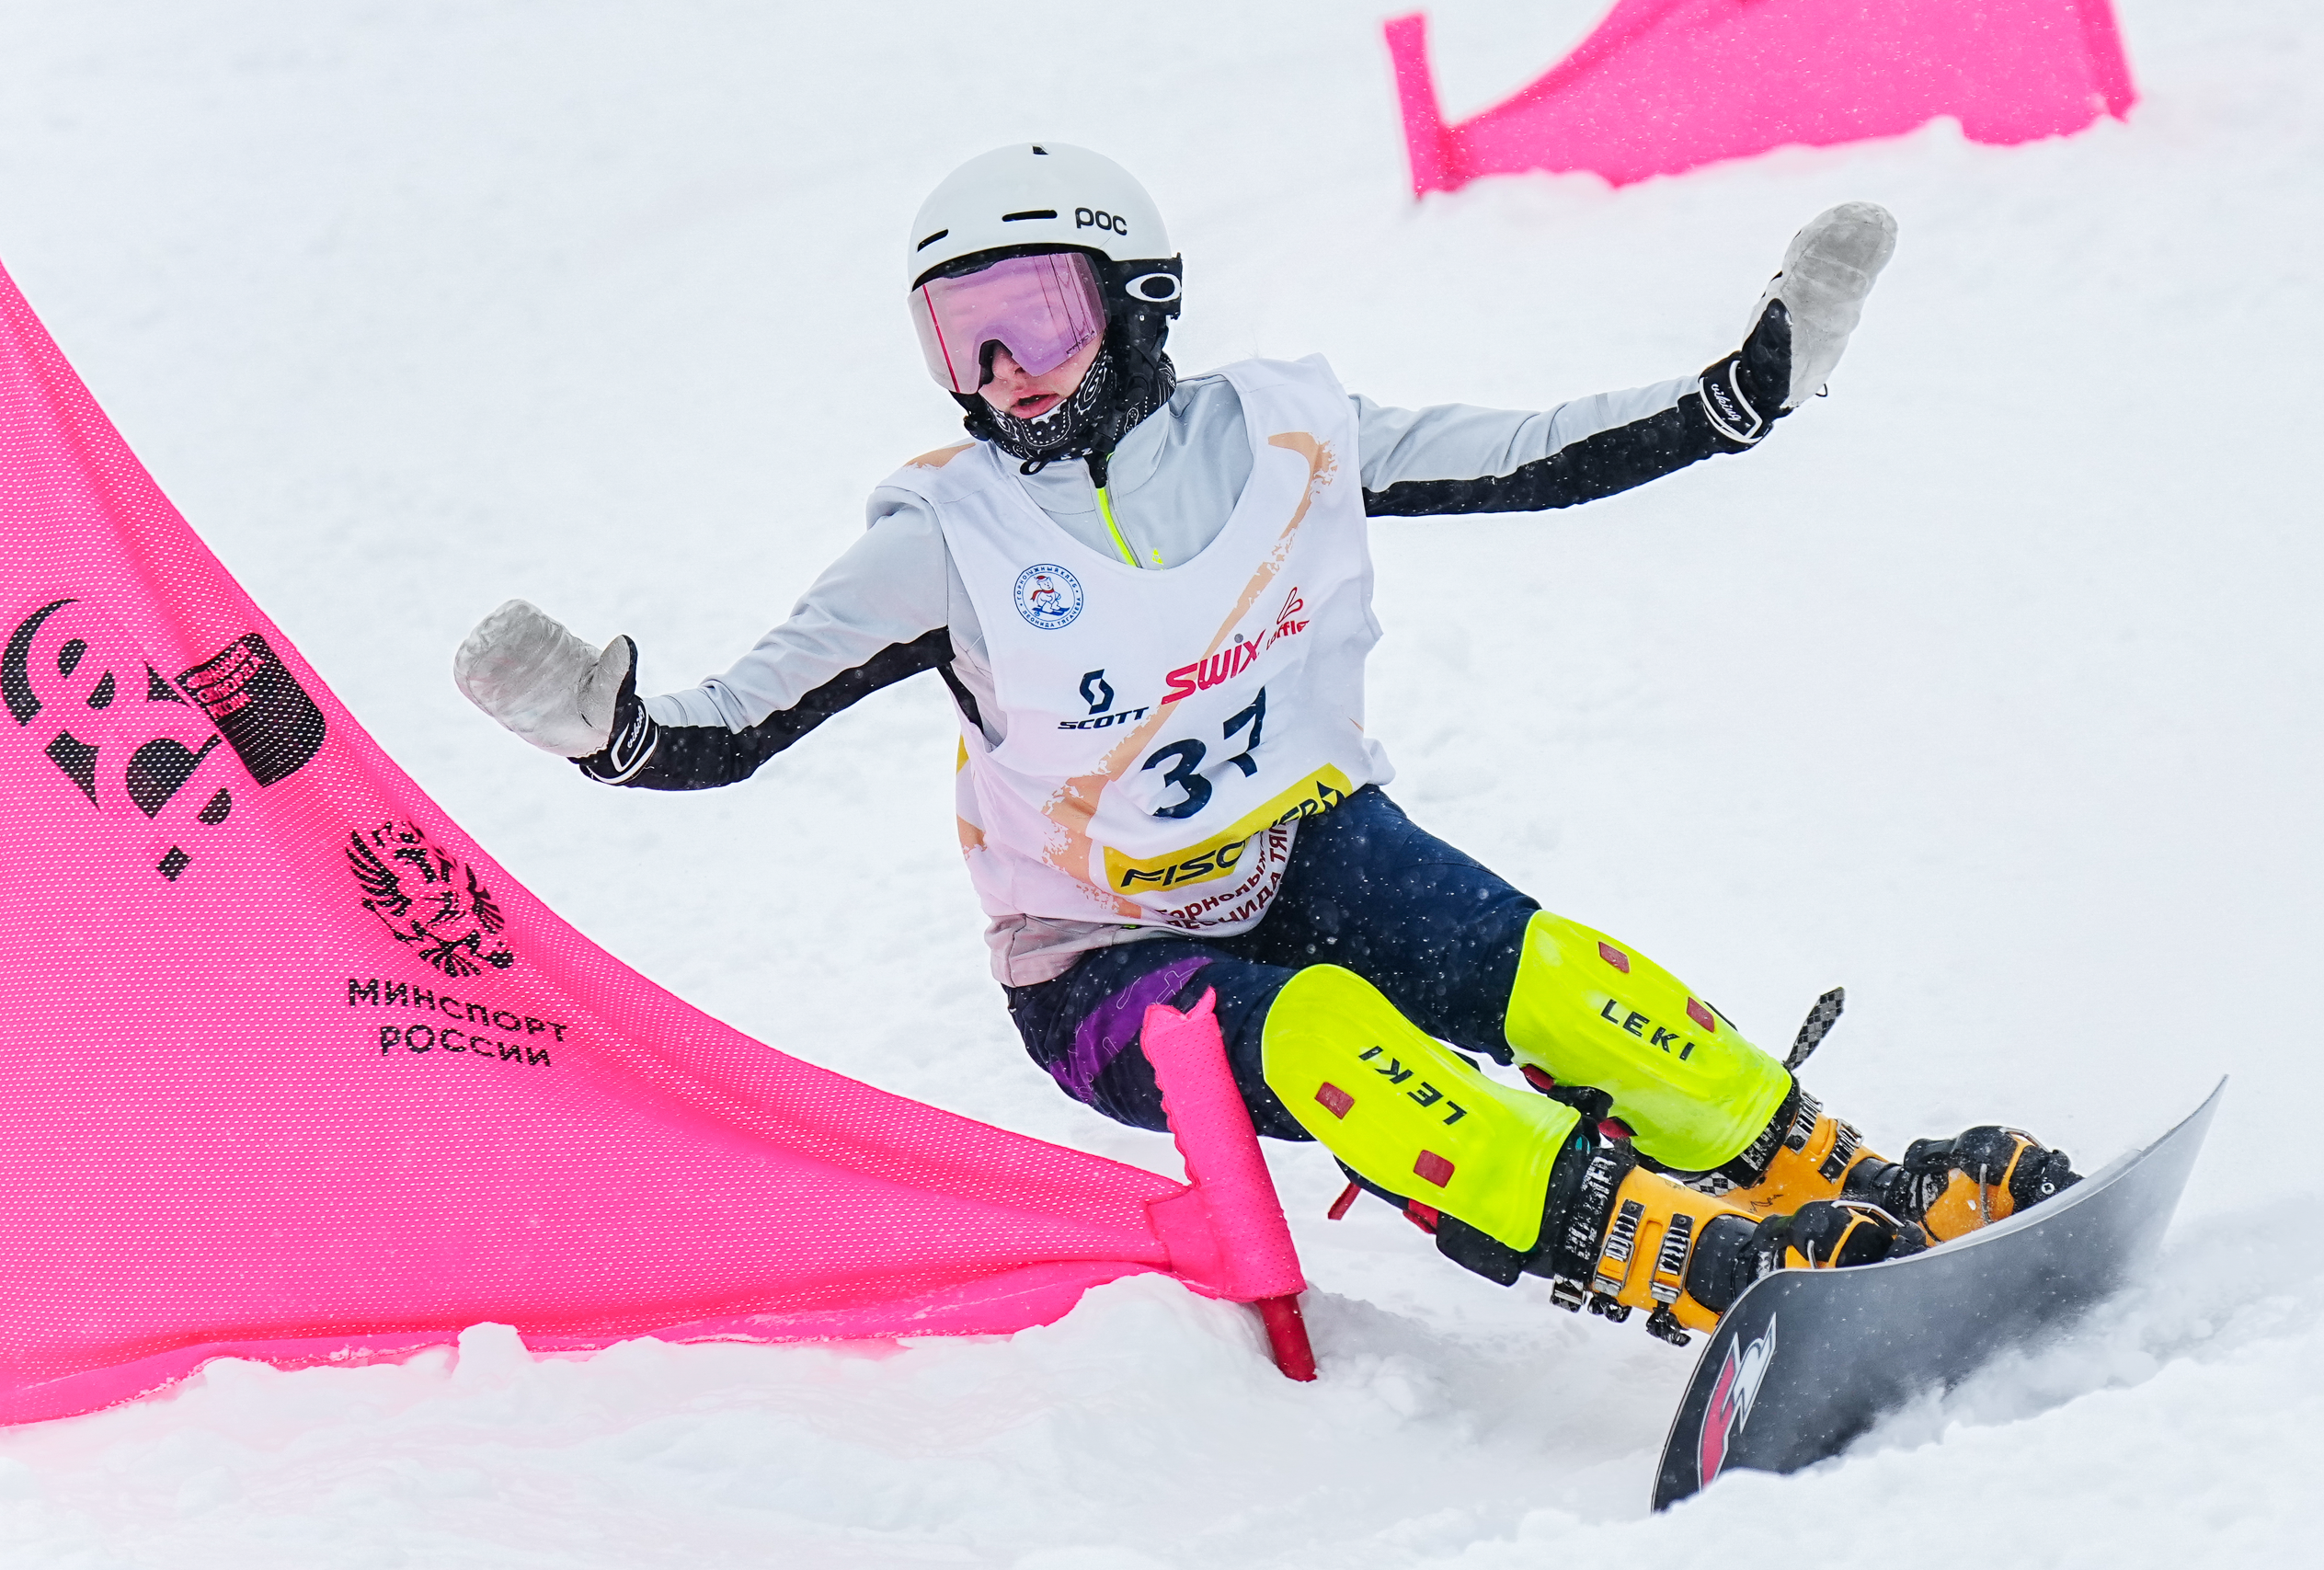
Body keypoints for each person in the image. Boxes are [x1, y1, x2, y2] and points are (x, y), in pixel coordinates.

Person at [453, 143, 2077, 1345]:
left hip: (1302, 843)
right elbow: (729, 725)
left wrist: (1748, 389)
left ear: (1142, 305)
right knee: (1326, 1037)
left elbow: (1528, 455)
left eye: (1035, 320)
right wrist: (607, 725)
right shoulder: (939, 539)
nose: (1004, 378)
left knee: (1559, 976)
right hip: (1097, 964)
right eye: (964, 341)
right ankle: (1668, 1254)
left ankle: (1833, 1178)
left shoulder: (1287, 437)